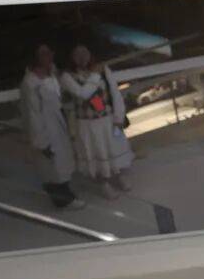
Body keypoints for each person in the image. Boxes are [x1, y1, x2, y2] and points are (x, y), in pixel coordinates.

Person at [60, 44, 133, 200]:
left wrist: (118, 117)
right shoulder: (67, 77)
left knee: (115, 147)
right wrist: (94, 75)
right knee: (96, 152)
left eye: (84, 52)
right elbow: (83, 94)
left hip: (108, 119)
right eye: (77, 54)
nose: (82, 57)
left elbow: (115, 93)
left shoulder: (103, 70)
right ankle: (104, 184)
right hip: (87, 124)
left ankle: (119, 175)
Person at [19, 44, 86, 210]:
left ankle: (65, 194)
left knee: (62, 162)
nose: (49, 56)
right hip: (45, 130)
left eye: (50, 52)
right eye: (44, 54)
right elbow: (33, 114)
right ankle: (63, 200)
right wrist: (41, 142)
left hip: (57, 125)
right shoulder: (31, 83)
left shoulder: (51, 75)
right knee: (51, 166)